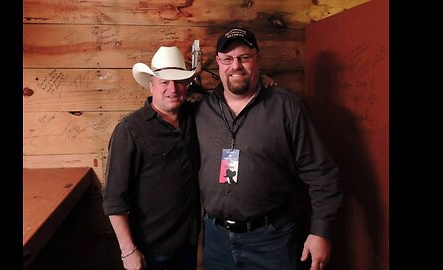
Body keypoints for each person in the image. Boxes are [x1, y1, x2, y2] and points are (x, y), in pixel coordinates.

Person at [195, 27, 343, 270]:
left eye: (244, 57)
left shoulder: (287, 107)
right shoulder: (202, 111)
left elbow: (321, 173)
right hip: (216, 239)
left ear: (258, 59)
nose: (236, 66)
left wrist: (321, 232)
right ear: (219, 64)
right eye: (228, 59)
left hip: (271, 240)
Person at [102, 46, 201, 270]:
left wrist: (260, 80)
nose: (172, 88)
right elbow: (113, 198)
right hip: (150, 251)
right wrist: (128, 251)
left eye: (178, 81)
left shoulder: (196, 117)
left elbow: (229, 96)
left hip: (188, 246)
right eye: (164, 81)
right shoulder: (130, 129)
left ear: (186, 85)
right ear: (151, 84)